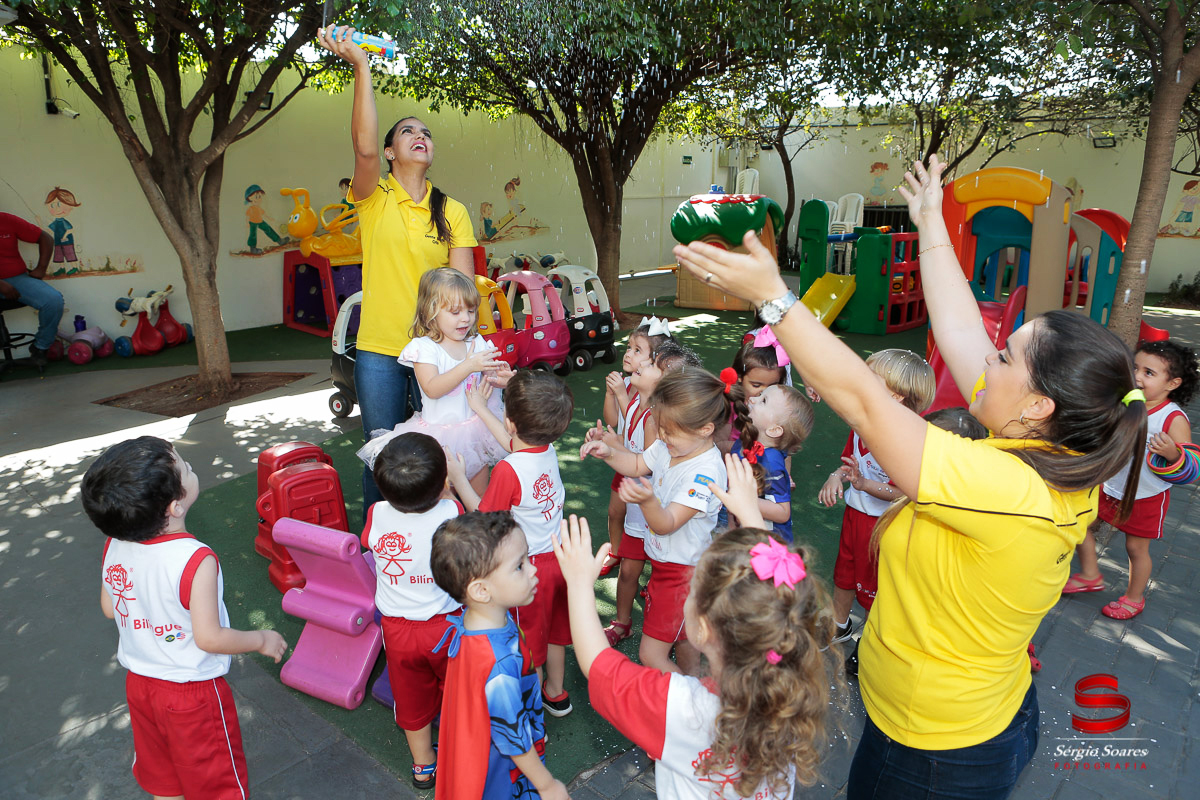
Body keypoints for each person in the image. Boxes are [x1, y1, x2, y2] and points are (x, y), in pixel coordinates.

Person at [674, 154, 1146, 800]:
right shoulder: (1064, 449)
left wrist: (772, 297)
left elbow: (867, 402)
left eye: (1005, 356)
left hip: (932, 757)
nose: (990, 354)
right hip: (970, 723)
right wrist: (929, 222)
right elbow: (961, 328)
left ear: (1039, 406)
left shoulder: (1004, 490)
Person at [552, 456, 836, 799]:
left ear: (701, 630)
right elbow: (775, 589)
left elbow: (599, 666)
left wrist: (580, 585)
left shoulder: (682, 710)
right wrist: (750, 516)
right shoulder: (790, 687)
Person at [317, 25, 478, 514]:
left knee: (435, 451)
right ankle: (378, 544)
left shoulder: (452, 210)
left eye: (426, 132)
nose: (420, 136)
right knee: (383, 452)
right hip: (381, 350)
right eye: (408, 131)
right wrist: (362, 66)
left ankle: (435, 534)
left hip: (437, 353)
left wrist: (470, 351)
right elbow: (363, 149)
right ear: (391, 153)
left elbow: (463, 292)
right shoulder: (374, 196)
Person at [80, 436, 288, 799]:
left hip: (141, 687)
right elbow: (209, 638)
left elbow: (110, 607)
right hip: (193, 698)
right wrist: (261, 639)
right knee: (215, 785)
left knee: (164, 780)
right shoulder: (196, 559)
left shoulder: (115, 542)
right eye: (185, 467)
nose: (190, 467)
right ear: (175, 506)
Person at [581, 368, 729, 675]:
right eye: (659, 428)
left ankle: (689, 701)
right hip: (668, 567)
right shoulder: (670, 444)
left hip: (683, 575)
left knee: (651, 654)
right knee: (685, 643)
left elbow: (667, 522)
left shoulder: (705, 473)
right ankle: (695, 691)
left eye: (669, 431)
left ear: (705, 429)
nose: (661, 437)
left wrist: (647, 501)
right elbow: (637, 463)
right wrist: (608, 452)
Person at [449, 369, 576, 717]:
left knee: (528, 642)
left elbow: (486, 517)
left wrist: (460, 479)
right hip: (558, 561)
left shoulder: (508, 470)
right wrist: (480, 407)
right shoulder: (545, 450)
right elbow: (514, 442)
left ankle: (530, 711)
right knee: (554, 632)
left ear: (511, 422)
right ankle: (556, 692)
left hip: (530, 567)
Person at [429, 511, 569, 800]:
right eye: (519, 566)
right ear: (481, 590)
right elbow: (513, 737)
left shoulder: (479, 621)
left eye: (527, 558)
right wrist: (547, 785)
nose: (532, 570)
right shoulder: (499, 664)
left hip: (480, 749)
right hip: (500, 774)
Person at [1063, 339, 1199, 620]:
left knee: (1136, 548)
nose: (1137, 376)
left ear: (1172, 384)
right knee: (1081, 523)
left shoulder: (1173, 418)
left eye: (1149, 373)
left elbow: (1193, 467)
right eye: (1135, 367)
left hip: (1145, 495)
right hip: (1109, 484)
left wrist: (1173, 454)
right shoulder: (1126, 400)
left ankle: (1134, 598)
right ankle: (1090, 574)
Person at [363, 433, 464, 790]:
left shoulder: (376, 514)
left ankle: (423, 766)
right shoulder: (451, 512)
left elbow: (369, 542)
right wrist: (452, 489)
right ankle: (460, 751)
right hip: (448, 628)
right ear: (442, 484)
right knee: (457, 691)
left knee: (411, 698)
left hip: (397, 630)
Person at [818, 349, 935, 654]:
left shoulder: (906, 440)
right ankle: (839, 624)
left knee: (876, 584)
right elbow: (850, 464)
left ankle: (871, 643)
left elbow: (909, 492)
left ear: (896, 397)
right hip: (856, 515)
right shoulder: (862, 426)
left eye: (872, 379)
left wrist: (865, 484)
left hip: (884, 524)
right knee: (844, 572)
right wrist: (835, 476)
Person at [356, 268, 511, 491]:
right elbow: (432, 388)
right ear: (431, 311)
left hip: (476, 434)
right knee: (443, 498)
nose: (466, 318)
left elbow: (487, 379)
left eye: (470, 310)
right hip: (439, 440)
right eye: (455, 312)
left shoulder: (477, 342)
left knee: (479, 501)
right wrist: (468, 366)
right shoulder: (424, 348)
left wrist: (499, 379)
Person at [590, 341, 701, 646]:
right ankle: (622, 622)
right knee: (628, 572)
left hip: (653, 511)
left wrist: (613, 447)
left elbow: (646, 467)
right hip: (642, 511)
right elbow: (638, 458)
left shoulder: (654, 419)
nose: (641, 363)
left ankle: (664, 630)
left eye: (651, 363)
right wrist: (609, 445)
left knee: (659, 576)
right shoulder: (640, 407)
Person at [599, 316, 673, 577]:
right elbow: (615, 421)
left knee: (647, 523)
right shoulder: (630, 382)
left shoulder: (643, 391)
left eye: (637, 350)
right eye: (629, 347)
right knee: (615, 511)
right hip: (624, 458)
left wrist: (620, 394)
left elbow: (634, 420)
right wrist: (612, 394)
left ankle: (648, 567)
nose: (628, 353)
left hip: (640, 467)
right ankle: (616, 551)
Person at [728, 381, 815, 542]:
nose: (754, 399)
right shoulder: (745, 441)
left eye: (763, 401)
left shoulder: (771, 463)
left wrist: (742, 498)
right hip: (746, 533)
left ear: (774, 430)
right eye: (760, 395)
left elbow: (782, 512)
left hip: (771, 543)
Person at [0, 210, 63, 364]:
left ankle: (40, 347)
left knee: (53, 300)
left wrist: (41, 268)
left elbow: (45, 238)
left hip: (15, 279)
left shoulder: (6, 219)